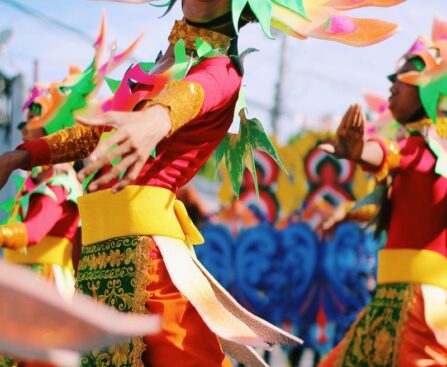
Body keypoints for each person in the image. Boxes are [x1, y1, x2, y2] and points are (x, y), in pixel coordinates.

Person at [0, 1, 404, 366]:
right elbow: (90, 133)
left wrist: (155, 121)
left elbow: (192, 95)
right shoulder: (144, 71)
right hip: (97, 261)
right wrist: (20, 156)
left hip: (150, 264)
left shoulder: (222, 71)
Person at [318, 16, 447, 367]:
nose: (391, 86)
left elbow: (385, 154)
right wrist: (348, 210)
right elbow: (399, 186)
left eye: (401, 77)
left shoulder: (425, 149)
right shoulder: (419, 151)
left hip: (425, 309)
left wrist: (358, 151)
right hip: (390, 302)